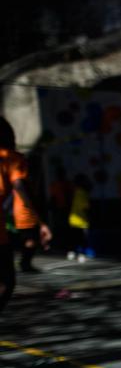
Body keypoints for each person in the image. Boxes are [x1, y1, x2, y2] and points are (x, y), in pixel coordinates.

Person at [0, 118, 51, 313]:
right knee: (7, 282)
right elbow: (19, 185)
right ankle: (26, 262)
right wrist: (41, 222)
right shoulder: (11, 158)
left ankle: (26, 262)